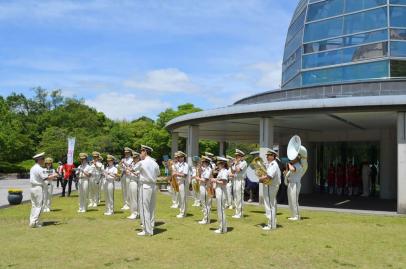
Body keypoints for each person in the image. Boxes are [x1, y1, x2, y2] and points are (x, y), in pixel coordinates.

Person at [133, 145, 160, 236]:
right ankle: (151, 228)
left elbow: (134, 169)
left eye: (141, 152)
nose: (140, 154)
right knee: (151, 208)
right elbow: (158, 173)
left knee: (144, 209)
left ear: (145, 151)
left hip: (145, 186)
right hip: (153, 186)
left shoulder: (142, 162)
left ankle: (146, 230)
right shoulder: (154, 162)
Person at [29, 152, 57, 228]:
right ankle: (35, 222)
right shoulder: (39, 168)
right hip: (38, 188)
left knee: (34, 205)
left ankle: (32, 221)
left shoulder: (33, 167)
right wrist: (54, 175)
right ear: (39, 160)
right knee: (39, 206)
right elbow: (46, 178)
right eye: (43, 159)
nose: (44, 161)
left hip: (32, 188)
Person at [259, 148, 281, 230]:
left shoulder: (273, 165)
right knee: (272, 204)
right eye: (267, 155)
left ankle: (271, 225)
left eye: (269, 155)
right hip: (270, 185)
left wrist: (261, 179)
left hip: (270, 186)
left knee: (269, 205)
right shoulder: (271, 164)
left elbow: (269, 176)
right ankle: (272, 223)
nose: (267, 157)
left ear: (273, 156)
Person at [286, 153, 307, 221]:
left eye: (292, 158)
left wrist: (288, 163)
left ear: (296, 159)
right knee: (290, 200)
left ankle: (297, 216)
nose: (290, 159)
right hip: (291, 183)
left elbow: (292, 169)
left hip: (295, 184)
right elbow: (288, 173)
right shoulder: (294, 165)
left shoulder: (298, 165)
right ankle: (293, 215)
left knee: (294, 200)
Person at [211, 157, 229, 234]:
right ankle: (222, 227)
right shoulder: (221, 171)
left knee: (221, 210)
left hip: (221, 191)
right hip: (219, 191)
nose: (217, 165)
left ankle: (222, 228)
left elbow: (224, 182)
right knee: (220, 210)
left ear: (222, 164)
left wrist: (215, 180)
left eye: (219, 163)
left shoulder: (224, 171)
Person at [230, 149, 247, 219]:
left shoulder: (243, 162)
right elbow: (232, 171)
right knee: (236, 197)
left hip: (240, 180)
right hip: (235, 180)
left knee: (239, 197)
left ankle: (240, 213)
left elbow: (238, 170)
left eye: (237, 156)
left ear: (241, 156)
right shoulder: (236, 163)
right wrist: (231, 165)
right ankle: (237, 212)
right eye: (235, 156)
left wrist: (236, 163)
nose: (236, 158)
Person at [173, 151, 189, 218]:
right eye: (177, 157)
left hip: (183, 182)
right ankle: (181, 211)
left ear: (183, 158)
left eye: (179, 157)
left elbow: (184, 175)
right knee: (179, 198)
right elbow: (173, 171)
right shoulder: (177, 165)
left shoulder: (185, 165)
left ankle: (183, 213)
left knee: (183, 198)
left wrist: (176, 173)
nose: (177, 158)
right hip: (178, 182)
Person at [197, 156, 213, 224]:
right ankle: (206, 219)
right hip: (203, 186)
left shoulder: (208, 169)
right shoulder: (205, 169)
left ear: (206, 162)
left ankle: (206, 219)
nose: (202, 163)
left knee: (205, 204)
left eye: (203, 162)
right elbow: (200, 173)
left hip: (206, 186)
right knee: (204, 203)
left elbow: (205, 179)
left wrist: (198, 179)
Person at [127, 151, 141, 220]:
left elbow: (138, 174)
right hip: (131, 181)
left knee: (135, 199)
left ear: (138, 158)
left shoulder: (139, 164)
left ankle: (135, 213)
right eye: (133, 158)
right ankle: (133, 212)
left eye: (135, 158)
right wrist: (128, 171)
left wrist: (131, 171)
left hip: (135, 182)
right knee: (131, 198)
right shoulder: (133, 164)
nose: (134, 159)